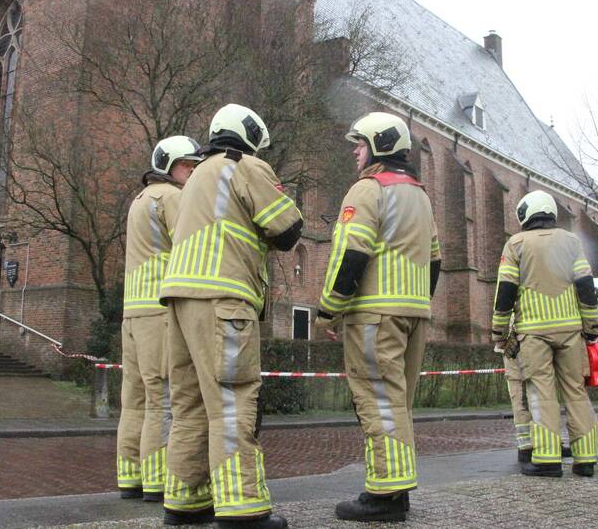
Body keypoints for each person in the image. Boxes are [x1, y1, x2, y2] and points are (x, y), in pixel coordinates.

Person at [159, 104, 302, 528]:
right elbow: (289, 230)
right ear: (250, 136)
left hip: (179, 301)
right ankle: (243, 510)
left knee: (188, 406)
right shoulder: (244, 165)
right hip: (224, 299)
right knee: (233, 402)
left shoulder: (197, 175)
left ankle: (185, 503)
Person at [317, 111, 441, 522]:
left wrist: (328, 311)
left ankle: (385, 493)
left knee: (376, 402)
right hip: (414, 315)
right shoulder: (420, 195)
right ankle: (398, 487)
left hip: (374, 314)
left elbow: (351, 254)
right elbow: (436, 260)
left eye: (360, 143)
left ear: (379, 146)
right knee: (398, 403)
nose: (355, 150)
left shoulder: (367, 190)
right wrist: (418, 302)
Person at [491, 190, 598, 478]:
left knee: (540, 392)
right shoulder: (572, 242)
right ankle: (586, 459)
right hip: (570, 331)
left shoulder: (515, 244)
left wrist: (499, 332)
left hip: (533, 333)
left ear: (525, 215)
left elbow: (505, 292)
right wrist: (591, 329)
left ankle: (547, 460)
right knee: (576, 391)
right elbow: (586, 288)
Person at [117, 135, 201, 500]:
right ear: (168, 166)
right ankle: (158, 481)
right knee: (162, 398)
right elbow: (194, 241)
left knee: (134, 400)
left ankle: (130, 477)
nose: (193, 172)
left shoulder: (139, 200)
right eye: (187, 166)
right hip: (159, 311)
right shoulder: (172, 197)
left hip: (132, 312)